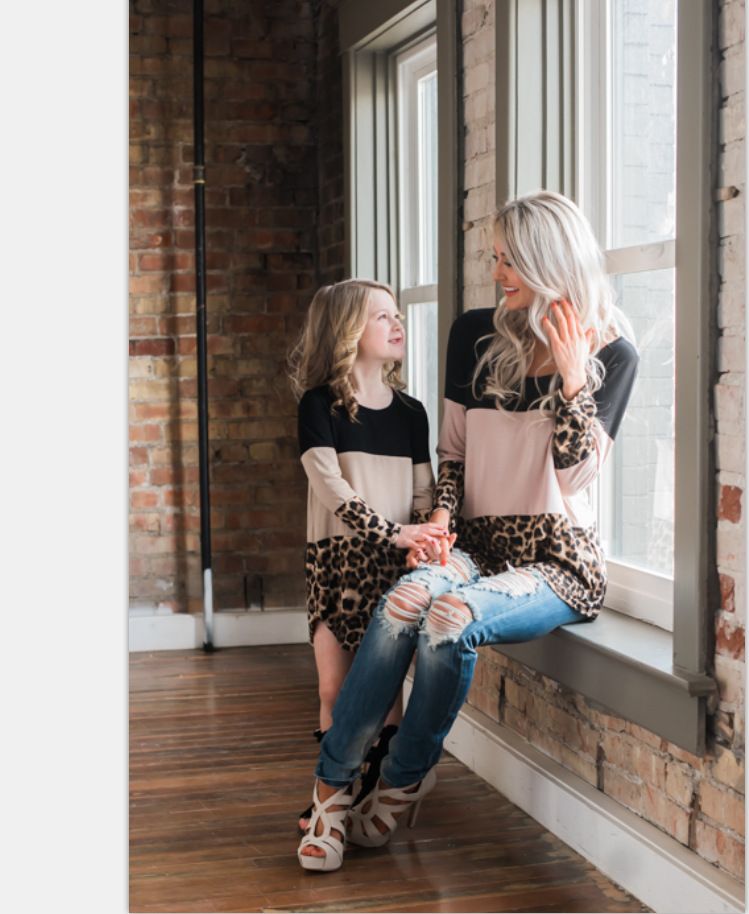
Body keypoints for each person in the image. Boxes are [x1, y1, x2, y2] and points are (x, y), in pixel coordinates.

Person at [296, 190, 640, 872]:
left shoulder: (614, 355)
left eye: (509, 260)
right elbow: (450, 456)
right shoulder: (475, 334)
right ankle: (329, 791)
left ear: (549, 262)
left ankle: (402, 778)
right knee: (401, 602)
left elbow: (574, 479)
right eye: (496, 258)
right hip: (476, 544)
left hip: (555, 561)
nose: (497, 271)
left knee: (448, 617)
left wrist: (573, 378)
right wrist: (443, 516)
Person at [288, 278, 453, 833]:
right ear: (347, 332)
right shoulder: (320, 405)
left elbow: (425, 492)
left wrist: (425, 535)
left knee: (385, 697)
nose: (396, 322)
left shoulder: (412, 412)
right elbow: (331, 486)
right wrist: (394, 532)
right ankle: (331, 798)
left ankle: (374, 799)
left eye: (396, 313)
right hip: (336, 564)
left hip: (393, 565)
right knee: (334, 688)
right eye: (381, 316)